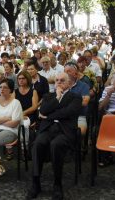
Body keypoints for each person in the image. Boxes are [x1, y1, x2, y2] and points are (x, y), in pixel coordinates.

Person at [26, 72, 82, 200]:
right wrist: (57, 97)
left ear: (69, 83)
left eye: (62, 80)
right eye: (57, 80)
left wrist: (49, 116)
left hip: (64, 130)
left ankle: (57, 184)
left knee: (56, 145)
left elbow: (69, 112)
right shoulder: (48, 96)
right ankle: (36, 183)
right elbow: (43, 110)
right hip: (47, 129)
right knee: (37, 144)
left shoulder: (75, 97)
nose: (59, 82)